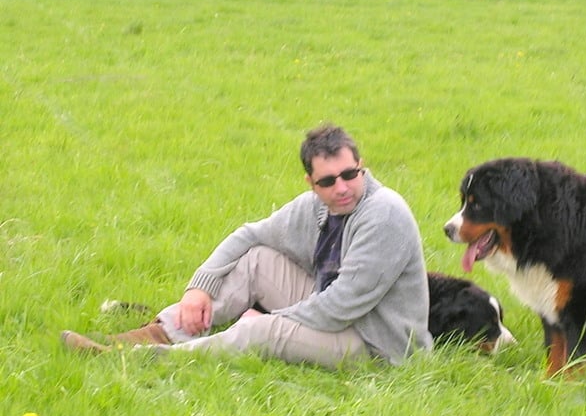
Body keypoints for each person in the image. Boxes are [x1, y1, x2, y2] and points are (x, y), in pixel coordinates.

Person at [62, 124, 432, 368]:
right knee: (256, 260)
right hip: (337, 313)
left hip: (378, 346)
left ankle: (142, 360)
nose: (342, 187)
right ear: (311, 183)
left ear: (361, 166)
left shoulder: (383, 215)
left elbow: (341, 306)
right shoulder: (315, 207)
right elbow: (249, 235)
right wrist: (198, 288)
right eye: (328, 181)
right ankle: (156, 332)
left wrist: (271, 318)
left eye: (350, 174)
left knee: (259, 332)